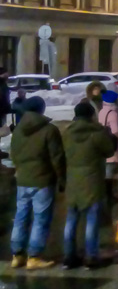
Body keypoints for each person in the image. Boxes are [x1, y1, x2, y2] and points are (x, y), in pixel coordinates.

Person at [9, 96, 65, 269]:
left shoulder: (18, 129)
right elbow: (57, 158)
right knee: (41, 218)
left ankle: (17, 255)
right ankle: (34, 256)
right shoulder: (50, 130)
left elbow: (14, 153)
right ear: (41, 110)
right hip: (43, 180)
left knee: (21, 216)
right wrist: (62, 178)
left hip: (23, 179)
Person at [62, 101, 118, 268]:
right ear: (90, 115)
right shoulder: (97, 133)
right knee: (92, 220)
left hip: (72, 180)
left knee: (71, 219)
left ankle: (69, 256)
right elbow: (109, 151)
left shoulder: (67, 133)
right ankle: (91, 256)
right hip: (92, 181)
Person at [97, 90, 118, 205]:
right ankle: (110, 196)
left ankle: (108, 194)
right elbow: (116, 131)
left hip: (105, 144)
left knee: (107, 171)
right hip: (114, 147)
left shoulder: (102, 111)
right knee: (112, 173)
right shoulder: (114, 114)